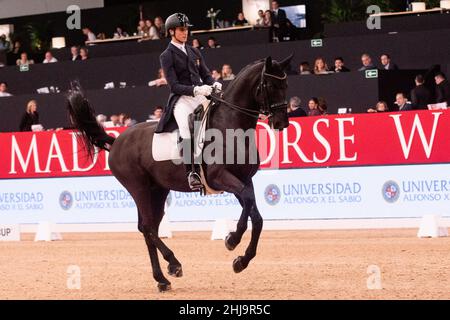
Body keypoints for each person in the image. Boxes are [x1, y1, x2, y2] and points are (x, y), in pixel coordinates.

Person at [155, 13, 222, 190]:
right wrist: (195, 89)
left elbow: (205, 74)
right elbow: (174, 85)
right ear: (172, 32)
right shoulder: (167, 55)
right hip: (182, 99)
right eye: (182, 30)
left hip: (200, 95)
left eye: (186, 29)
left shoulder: (194, 51)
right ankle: (191, 172)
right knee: (187, 130)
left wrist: (213, 83)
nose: (186, 33)